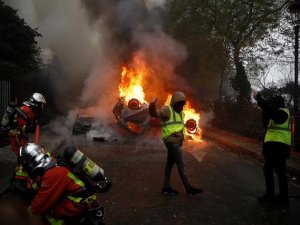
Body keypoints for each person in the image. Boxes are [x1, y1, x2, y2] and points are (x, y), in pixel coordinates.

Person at [19, 143, 107, 225]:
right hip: (83, 202)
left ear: (29, 163)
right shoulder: (51, 162)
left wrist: (25, 215)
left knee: (47, 215)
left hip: (80, 209)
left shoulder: (53, 174)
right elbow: (40, 182)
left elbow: (39, 206)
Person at [149, 91, 203, 196]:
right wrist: (152, 105)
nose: (181, 106)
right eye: (179, 104)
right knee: (181, 163)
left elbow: (179, 127)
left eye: (182, 104)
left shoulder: (181, 114)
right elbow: (155, 113)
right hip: (171, 141)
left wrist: (186, 137)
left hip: (177, 142)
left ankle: (166, 187)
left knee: (169, 164)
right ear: (174, 103)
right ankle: (188, 188)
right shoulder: (167, 110)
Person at [253, 92, 291, 207]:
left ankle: (273, 196)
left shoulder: (282, 113)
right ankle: (282, 197)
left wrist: (259, 99)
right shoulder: (276, 113)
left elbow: (271, 110)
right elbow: (266, 124)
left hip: (278, 147)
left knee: (274, 171)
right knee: (276, 171)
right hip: (276, 147)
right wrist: (265, 110)